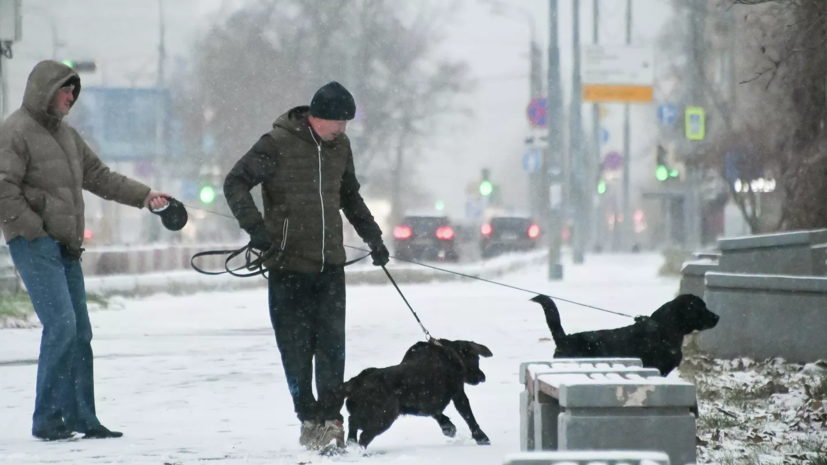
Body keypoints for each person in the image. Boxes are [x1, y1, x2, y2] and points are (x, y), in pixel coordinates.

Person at [0, 60, 170, 441]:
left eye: (74, 91)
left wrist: (145, 197)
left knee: (80, 332)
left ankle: (80, 416)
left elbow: (100, 176)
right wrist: (33, 230)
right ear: (45, 90)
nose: (71, 97)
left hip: (67, 247)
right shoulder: (14, 131)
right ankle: (47, 418)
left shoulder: (68, 136)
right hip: (35, 245)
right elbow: (3, 188)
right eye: (65, 89)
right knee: (61, 326)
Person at [223, 81, 390, 450]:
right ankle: (308, 419)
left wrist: (373, 237)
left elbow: (350, 196)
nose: (342, 129)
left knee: (332, 346)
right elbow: (235, 182)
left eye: (347, 123)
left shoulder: (340, 147)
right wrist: (256, 228)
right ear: (316, 117)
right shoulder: (277, 143)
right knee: (297, 350)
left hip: (330, 264)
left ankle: (331, 421)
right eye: (337, 122)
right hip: (287, 265)